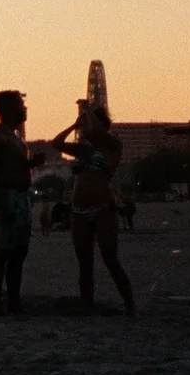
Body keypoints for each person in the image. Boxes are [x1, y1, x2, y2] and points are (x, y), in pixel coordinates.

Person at [46, 102, 136, 315]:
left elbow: (99, 132)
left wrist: (88, 111)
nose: (85, 130)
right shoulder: (82, 150)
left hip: (102, 207)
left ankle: (129, 304)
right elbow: (57, 142)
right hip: (78, 210)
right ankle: (87, 304)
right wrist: (74, 124)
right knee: (84, 261)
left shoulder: (113, 146)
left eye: (88, 126)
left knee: (110, 259)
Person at [0, 90, 42, 316]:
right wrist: (1, 203)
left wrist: (30, 164)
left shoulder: (15, 138)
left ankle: (14, 302)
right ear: (6, 110)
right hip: (8, 198)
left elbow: (12, 167)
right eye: (20, 105)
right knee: (3, 252)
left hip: (21, 198)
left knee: (19, 252)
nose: (25, 109)